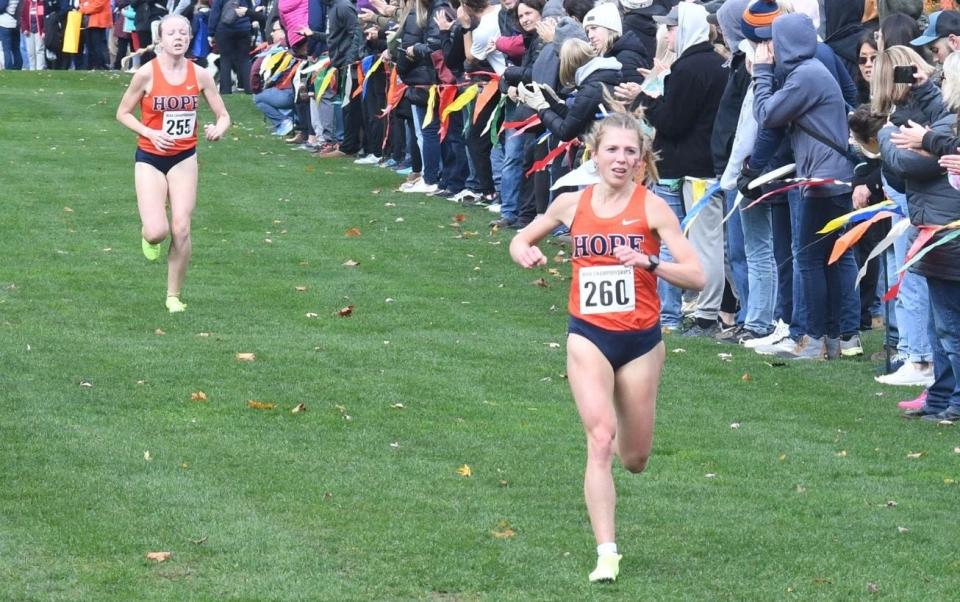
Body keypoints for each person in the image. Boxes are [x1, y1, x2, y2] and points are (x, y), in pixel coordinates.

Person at [509, 111, 705, 583]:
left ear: (641, 160)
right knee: (600, 439)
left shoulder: (654, 208)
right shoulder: (570, 204)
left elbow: (698, 276)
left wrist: (649, 263)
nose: (621, 159)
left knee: (634, 459)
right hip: (589, 336)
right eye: (612, 150)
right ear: (593, 155)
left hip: (640, 341)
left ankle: (623, 423)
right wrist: (523, 251)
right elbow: (521, 237)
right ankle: (607, 552)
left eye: (630, 152)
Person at [116, 14, 231, 313]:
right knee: (158, 230)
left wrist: (219, 128)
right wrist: (150, 132)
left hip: (184, 158)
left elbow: (223, 114)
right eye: (172, 33)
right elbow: (123, 113)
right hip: (150, 158)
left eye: (184, 33)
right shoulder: (145, 74)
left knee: (181, 228)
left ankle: (173, 296)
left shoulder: (201, 75)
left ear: (190, 38)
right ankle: (149, 237)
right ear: (161, 39)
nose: (178, 37)